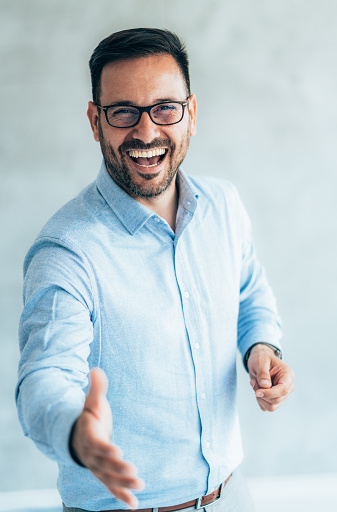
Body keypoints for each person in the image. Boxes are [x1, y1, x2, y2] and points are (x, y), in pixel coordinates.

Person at [16, 28, 294, 512]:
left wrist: (261, 348)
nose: (146, 133)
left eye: (164, 108)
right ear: (94, 121)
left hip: (233, 495)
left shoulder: (224, 206)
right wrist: (76, 434)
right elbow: (44, 378)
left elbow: (250, 294)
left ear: (191, 112)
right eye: (123, 111)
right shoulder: (67, 250)